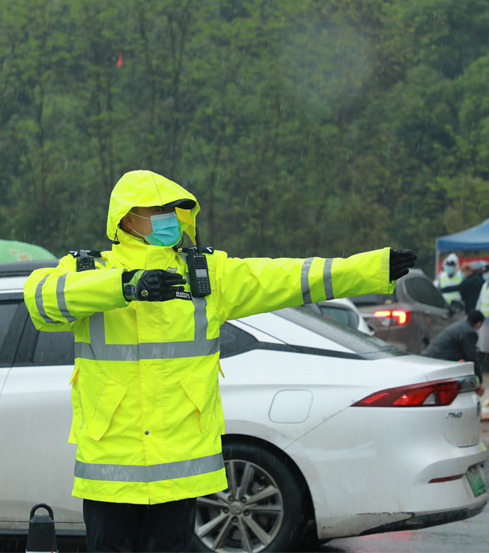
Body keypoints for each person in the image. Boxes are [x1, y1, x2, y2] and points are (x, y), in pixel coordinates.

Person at [24, 170, 416, 552]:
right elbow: (39, 299)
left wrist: (371, 269)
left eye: (173, 212)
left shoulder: (205, 276)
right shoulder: (88, 272)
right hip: (111, 469)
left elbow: (288, 276)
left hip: (178, 467)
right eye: (158, 212)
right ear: (127, 217)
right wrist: (124, 287)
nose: (169, 221)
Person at [422, 310, 486, 393]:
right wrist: (479, 382)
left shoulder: (460, 325)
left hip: (431, 356)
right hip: (440, 360)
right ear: (479, 323)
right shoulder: (469, 332)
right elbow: (471, 357)